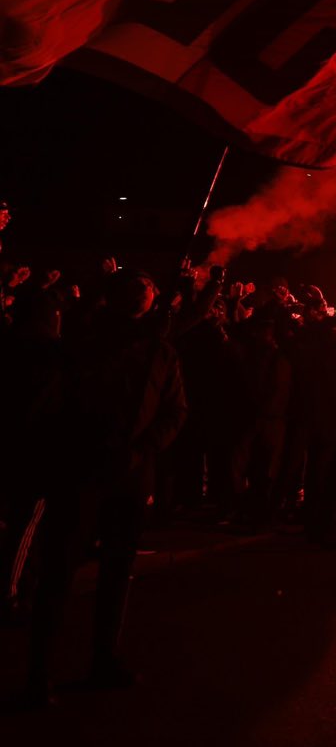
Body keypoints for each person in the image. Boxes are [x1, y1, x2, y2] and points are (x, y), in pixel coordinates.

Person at [17, 269, 187, 705]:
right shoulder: (83, 346)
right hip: (81, 473)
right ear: (111, 299)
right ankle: (38, 672)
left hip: (130, 477)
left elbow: (174, 411)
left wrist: (141, 449)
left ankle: (103, 660)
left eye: (145, 290)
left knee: (117, 572)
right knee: (58, 573)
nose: (139, 296)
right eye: (131, 289)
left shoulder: (161, 353)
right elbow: (60, 402)